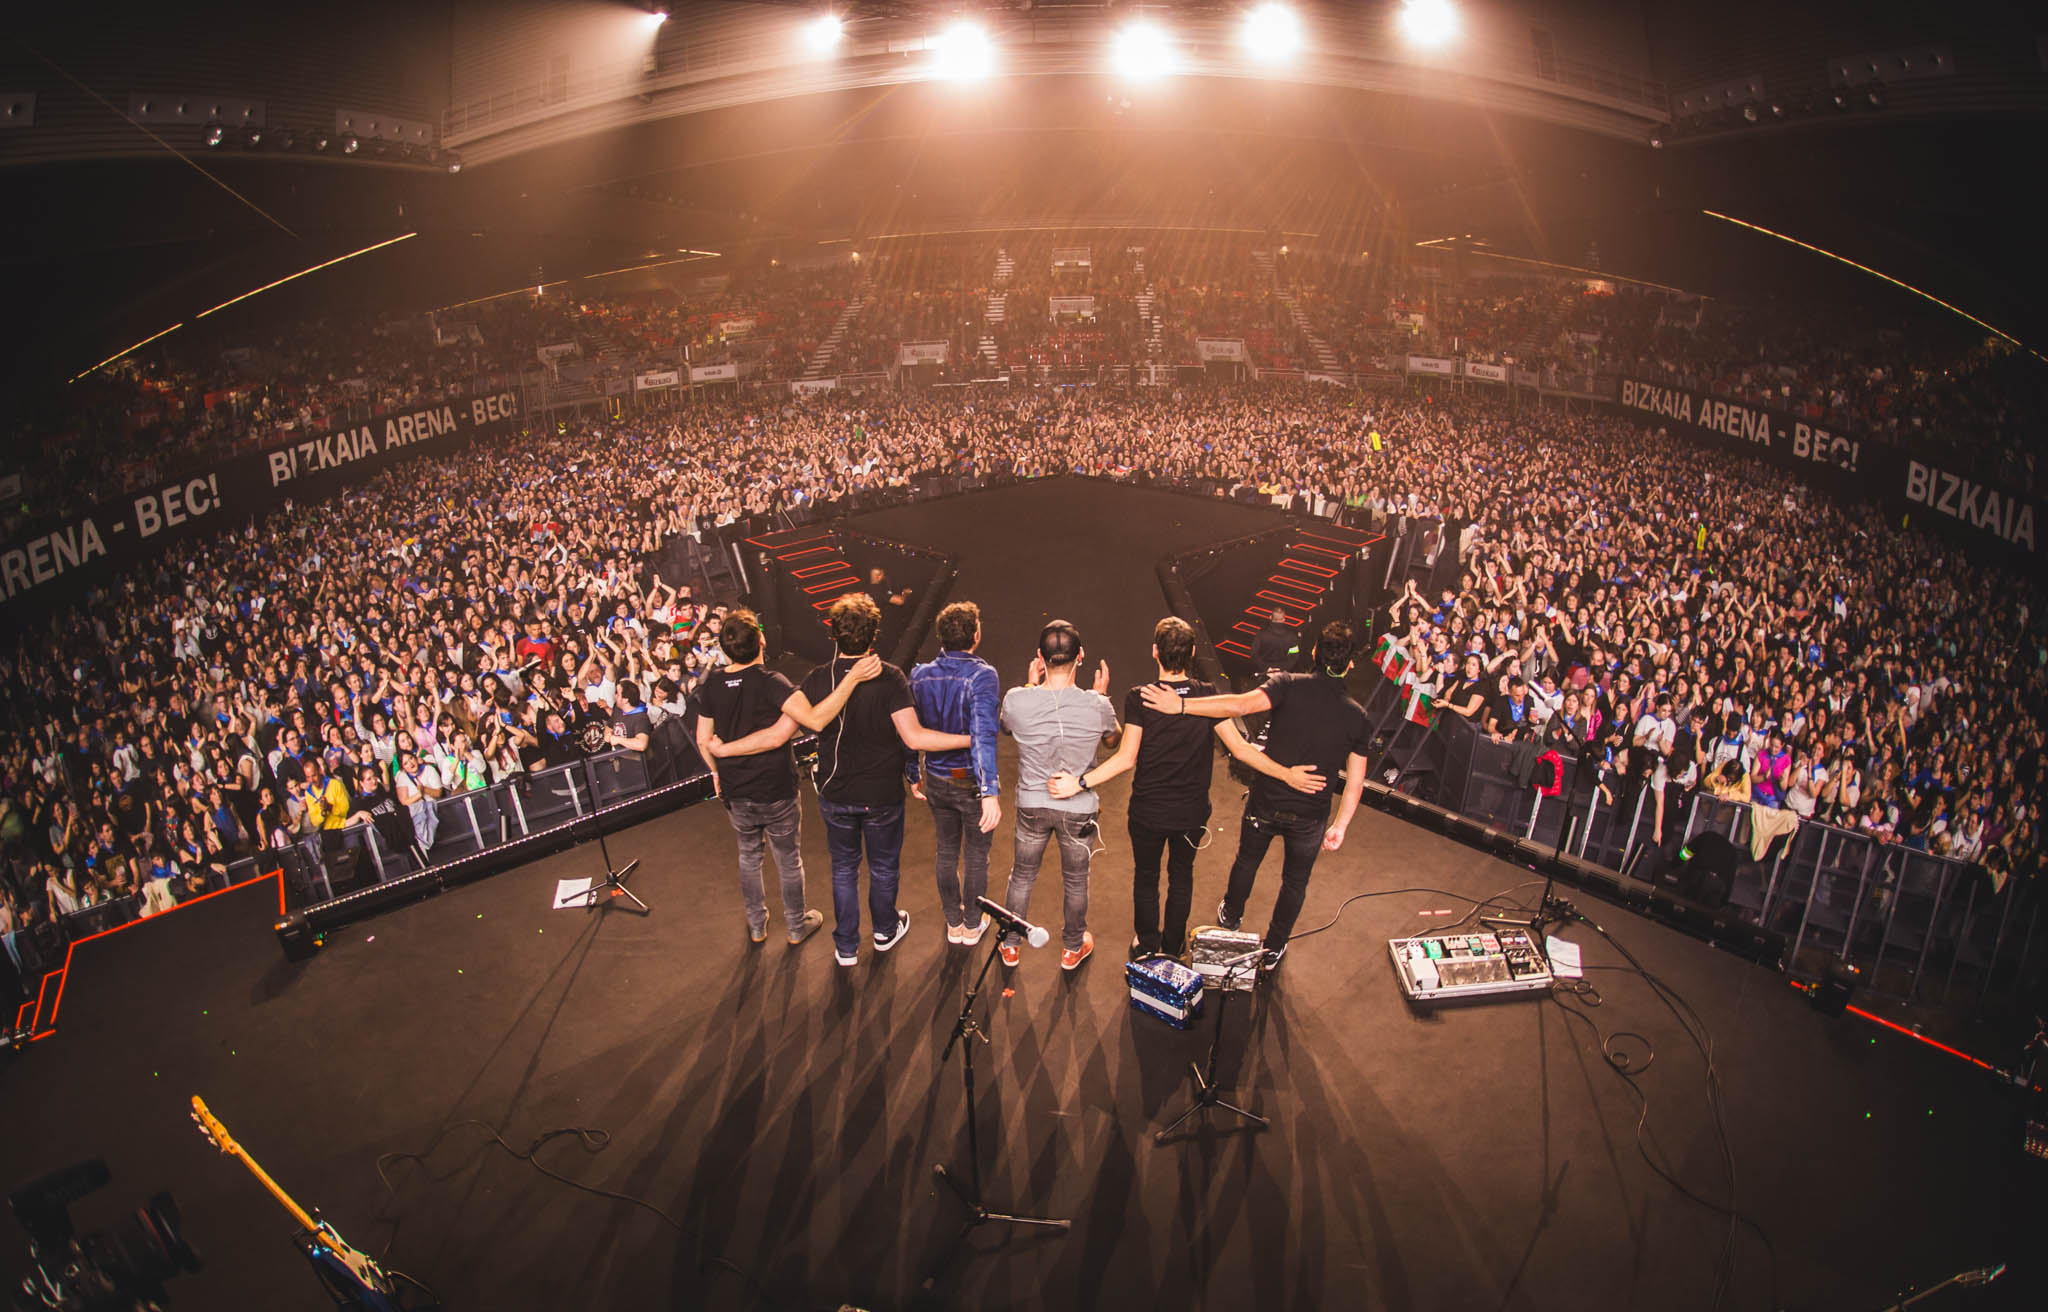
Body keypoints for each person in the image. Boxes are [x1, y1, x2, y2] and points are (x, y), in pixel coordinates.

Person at [707, 594, 967, 967]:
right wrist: (970, 739)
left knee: (844, 868)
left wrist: (723, 751)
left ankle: (846, 946)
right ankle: (885, 930)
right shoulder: (891, 677)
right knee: (882, 867)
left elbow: (779, 734)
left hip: (836, 794)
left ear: (833, 635)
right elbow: (914, 738)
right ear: (874, 635)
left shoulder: (817, 679)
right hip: (881, 795)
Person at [1049, 616, 1326, 960]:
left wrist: (1079, 783)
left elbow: (1125, 758)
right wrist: (1287, 774)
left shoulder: (1140, 697)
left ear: (1155, 652)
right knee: (1181, 877)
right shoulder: (1207, 697)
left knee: (1146, 878)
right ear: (1193, 652)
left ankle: (1147, 945)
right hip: (1191, 814)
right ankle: (1173, 946)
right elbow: (1240, 750)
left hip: (1148, 813)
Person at [1143, 620, 1372, 973]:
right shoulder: (1358, 717)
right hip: (1310, 816)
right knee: (1295, 882)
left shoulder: (1286, 685)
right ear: (1351, 663)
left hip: (1267, 801)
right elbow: (1355, 783)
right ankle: (1274, 947)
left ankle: (1231, 916)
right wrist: (1340, 825)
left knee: (1247, 861)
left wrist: (1183, 706)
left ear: (1314, 652)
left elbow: (1238, 706)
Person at [694, 607, 868, 947]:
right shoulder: (771, 682)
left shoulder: (712, 685)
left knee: (748, 857)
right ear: (761, 640)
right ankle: (795, 926)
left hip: (735, 791)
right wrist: (852, 679)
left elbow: (703, 740)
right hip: (775, 789)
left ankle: (757, 926)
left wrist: (717, 769)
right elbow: (809, 722)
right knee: (788, 860)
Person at [997, 620, 1119, 971]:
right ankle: (1072, 948)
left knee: (1022, 875)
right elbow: (1113, 741)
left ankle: (1010, 945)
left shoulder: (1016, 699)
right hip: (1078, 808)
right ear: (1080, 656)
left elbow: (1006, 727)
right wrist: (1101, 696)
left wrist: (1029, 685)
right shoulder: (1097, 704)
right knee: (1076, 880)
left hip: (1032, 805)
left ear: (1040, 657)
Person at [907, 602, 1004, 946]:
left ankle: (954, 923)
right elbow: (983, 735)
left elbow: (909, 729)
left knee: (946, 852)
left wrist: (912, 772)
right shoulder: (983, 676)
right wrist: (989, 790)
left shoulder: (919, 675)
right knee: (976, 856)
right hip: (969, 782)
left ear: (942, 637)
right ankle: (972, 925)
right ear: (976, 635)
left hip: (935, 778)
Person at [1249, 605, 1304, 677]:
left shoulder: (1261, 634)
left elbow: (1254, 654)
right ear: (1284, 619)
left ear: (1270, 617)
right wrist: (1281, 669)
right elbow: (1293, 657)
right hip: (1282, 674)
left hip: (1264, 673)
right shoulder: (1291, 636)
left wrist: (1266, 668)